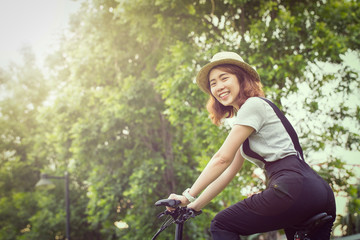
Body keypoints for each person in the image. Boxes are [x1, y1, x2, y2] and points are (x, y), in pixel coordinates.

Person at [167, 51, 336, 239]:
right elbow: (229, 171)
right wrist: (192, 207)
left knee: (222, 224)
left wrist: (187, 196)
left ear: (241, 78)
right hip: (318, 192)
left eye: (224, 78)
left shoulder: (253, 105)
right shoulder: (247, 121)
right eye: (213, 83)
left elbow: (222, 159)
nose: (218, 86)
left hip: (292, 186)